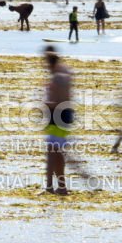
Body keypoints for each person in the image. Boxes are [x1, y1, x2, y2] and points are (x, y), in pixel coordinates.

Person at [43, 46, 74, 195]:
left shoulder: (57, 77)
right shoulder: (65, 72)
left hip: (58, 115)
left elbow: (56, 100)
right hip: (63, 114)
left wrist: (44, 106)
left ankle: (61, 187)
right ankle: (50, 186)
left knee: (55, 153)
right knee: (52, 152)